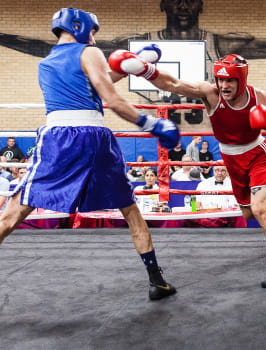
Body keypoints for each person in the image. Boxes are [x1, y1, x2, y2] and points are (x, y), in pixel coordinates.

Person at [0, 8, 180, 301]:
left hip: (59, 139)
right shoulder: (87, 52)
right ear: (79, 26)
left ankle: (158, 281)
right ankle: (156, 281)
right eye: (93, 31)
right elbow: (109, 98)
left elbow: (94, 87)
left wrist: (133, 65)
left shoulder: (45, 64)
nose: (94, 38)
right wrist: (152, 124)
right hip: (94, 138)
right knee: (130, 209)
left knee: (13, 213)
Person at [109, 50, 266, 288]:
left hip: (258, 153)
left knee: (259, 210)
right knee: (250, 214)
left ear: (242, 79)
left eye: (230, 80)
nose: (224, 85)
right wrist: (145, 69)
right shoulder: (210, 93)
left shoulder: (258, 97)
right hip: (231, 156)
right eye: (221, 79)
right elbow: (174, 84)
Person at [3, 1, 266, 62]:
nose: (183, 5)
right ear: (164, 6)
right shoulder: (138, 44)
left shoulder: (224, 43)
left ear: (201, 6)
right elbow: (54, 48)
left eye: (190, 1)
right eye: (176, 1)